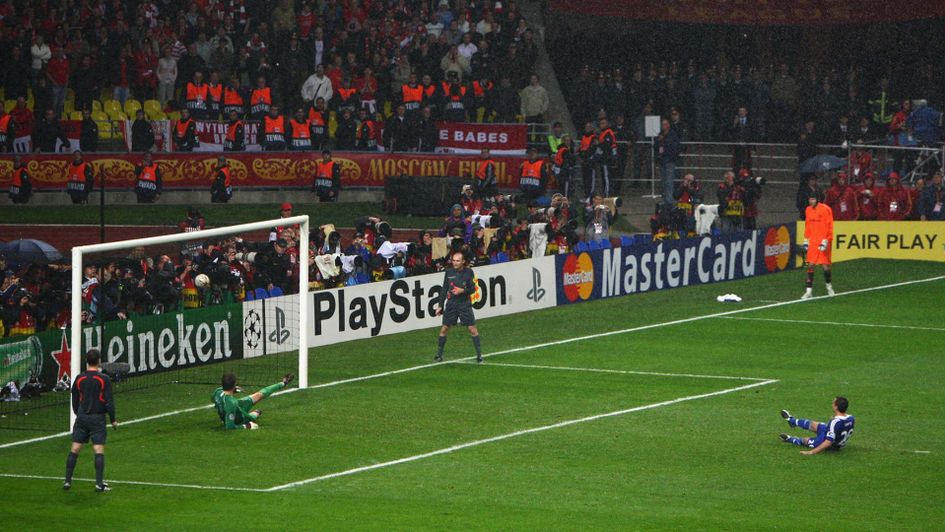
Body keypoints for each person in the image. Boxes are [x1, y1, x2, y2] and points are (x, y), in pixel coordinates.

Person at [64, 349, 117, 492]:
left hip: (82, 417)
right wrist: (113, 419)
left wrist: (78, 413)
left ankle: (67, 481)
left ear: (86, 360)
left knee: (75, 448)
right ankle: (99, 484)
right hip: (97, 418)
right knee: (98, 450)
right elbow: (109, 402)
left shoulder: (80, 378)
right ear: (98, 360)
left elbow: (74, 397)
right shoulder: (103, 379)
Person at [434, 251, 482, 364]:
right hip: (451, 304)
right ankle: (439, 355)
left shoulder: (469, 272)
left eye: (457, 261)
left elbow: (473, 289)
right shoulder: (449, 272)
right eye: (453, 260)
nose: (455, 263)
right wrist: (440, 305)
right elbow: (444, 289)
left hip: (464, 304)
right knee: (444, 329)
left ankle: (479, 356)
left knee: (472, 329)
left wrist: (462, 291)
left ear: (463, 262)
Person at [212, 372, 294, 430]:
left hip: (235, 406)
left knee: (259, 395)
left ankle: (283, 383)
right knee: (253, 416)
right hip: (239, 417)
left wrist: (234, 390)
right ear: (234, 385)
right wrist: (247, 426)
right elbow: (229, 427)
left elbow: (217, 401)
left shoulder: (217, 392)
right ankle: (257, 412)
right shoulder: (231, 404)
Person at [779, 396, 855, 455]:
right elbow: (840, 428)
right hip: (832, 436)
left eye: (833, 403)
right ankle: (791, 420)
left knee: (805, 440)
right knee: (813, 424)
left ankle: (790, 439)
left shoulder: (835, 422)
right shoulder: (851, 418)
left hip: (829, 445)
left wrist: (811, 452)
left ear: (836, 407)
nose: (832, 404)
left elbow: (828, 442)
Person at [801, 190, 835, 299]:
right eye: (810, 199)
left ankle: (829, 287)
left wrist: (826, 240)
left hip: (823, 241)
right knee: (810, 265)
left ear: (817, 199)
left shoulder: (825, 209)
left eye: (813, 199)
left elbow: (829, 225)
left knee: (825, 266)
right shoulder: (808, 210)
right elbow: (808, 225)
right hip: (813, 241)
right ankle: (808, 291)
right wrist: (806, 240)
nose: (811, 201)